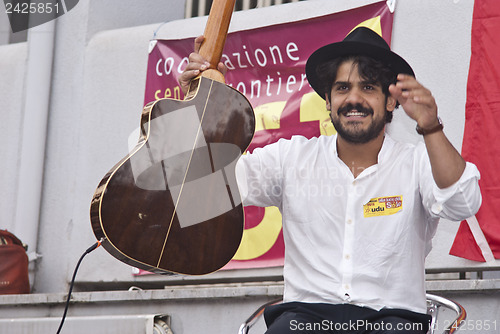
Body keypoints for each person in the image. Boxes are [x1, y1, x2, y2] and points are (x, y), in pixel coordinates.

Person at [178, 27, 481, 334]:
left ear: (391, 102)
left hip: (392, 320)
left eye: (368, 88)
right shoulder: (292, 157)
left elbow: (463, 203)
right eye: (342, 88)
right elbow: (208, 183)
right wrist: (200, 104)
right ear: (327, 99)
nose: (354, 99)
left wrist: (431, 127)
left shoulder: (416, 162)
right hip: (304, 321)